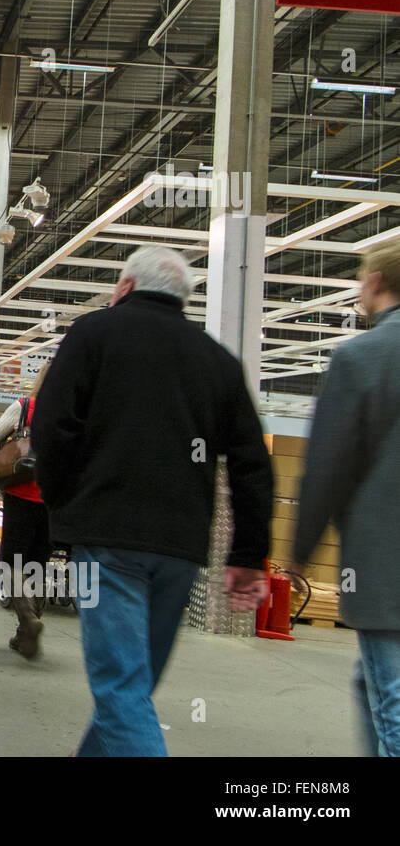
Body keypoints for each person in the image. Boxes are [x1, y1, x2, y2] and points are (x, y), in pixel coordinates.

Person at [31, 246, 272, 756]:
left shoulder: (93, 333)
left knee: (121, 691)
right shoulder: (218, 360)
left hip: (107, 539)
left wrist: (62, 507)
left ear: (124, 285)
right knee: (130, 691)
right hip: (181, 549)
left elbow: (49, 427)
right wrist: (248, 555)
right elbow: (253, 464)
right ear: (183, 298)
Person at [294, 242, 400, 756]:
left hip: (387, 573)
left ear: (377, 282)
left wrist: (299, 550)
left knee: (393, 706)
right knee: (372, 685)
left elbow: (326, 467)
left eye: (360, 277)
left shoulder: (360, 357)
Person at [0, 365, 52, 658]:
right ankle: (24, 635)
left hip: (21, 493)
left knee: (11, 562)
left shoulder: (25, 406)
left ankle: (28, 619)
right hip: (56, 498)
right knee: (38, 562)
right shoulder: (79, 414)